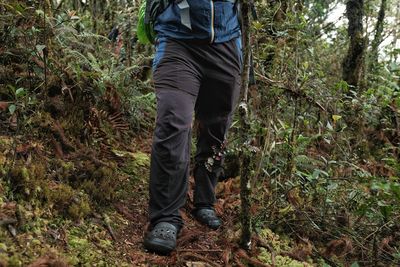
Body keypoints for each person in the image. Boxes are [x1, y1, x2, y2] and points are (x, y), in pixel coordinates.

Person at [143, 0, 242, 255]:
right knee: (173, 121)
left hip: (226, 41)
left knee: (216, 128)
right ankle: (166, 216)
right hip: (177, 41)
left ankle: (204, 200)